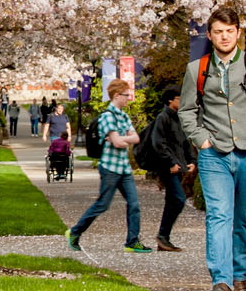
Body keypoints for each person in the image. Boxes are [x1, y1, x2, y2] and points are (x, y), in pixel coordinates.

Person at [178, 7, 246, 291]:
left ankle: (240, 274)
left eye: (229, 31)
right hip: (215, 154)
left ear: (238, 32)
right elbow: (187, 110)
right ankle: (221, 280)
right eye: (218, 32)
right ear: (210, 36)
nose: (224, 37)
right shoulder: (197, 69)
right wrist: (202, 140)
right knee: (219, 215)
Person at [68, 79, 151, 253]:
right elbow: (118, 142)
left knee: (134, 204)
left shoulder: (124, 116)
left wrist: (122, 139)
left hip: (124, 168)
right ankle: (75, 231)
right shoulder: (107, 117)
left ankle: (132, 241)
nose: (129, 98)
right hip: (110, 167)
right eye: (126, 95)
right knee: (103, 204)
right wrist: (122, 139)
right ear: (117, 95)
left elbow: (135, 138)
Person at [146, 87, 195, 252]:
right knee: (179, 200)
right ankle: (162, 235)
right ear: (170, 101)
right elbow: (158, 143)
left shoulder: (178, 118)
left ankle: (163, 238)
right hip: (168, 168)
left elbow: (185, 141)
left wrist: (192, 160)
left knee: (172, 201)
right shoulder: (163, 118)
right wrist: (171, 163)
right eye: (179, 99)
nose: (181, 102)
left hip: (178, 166)